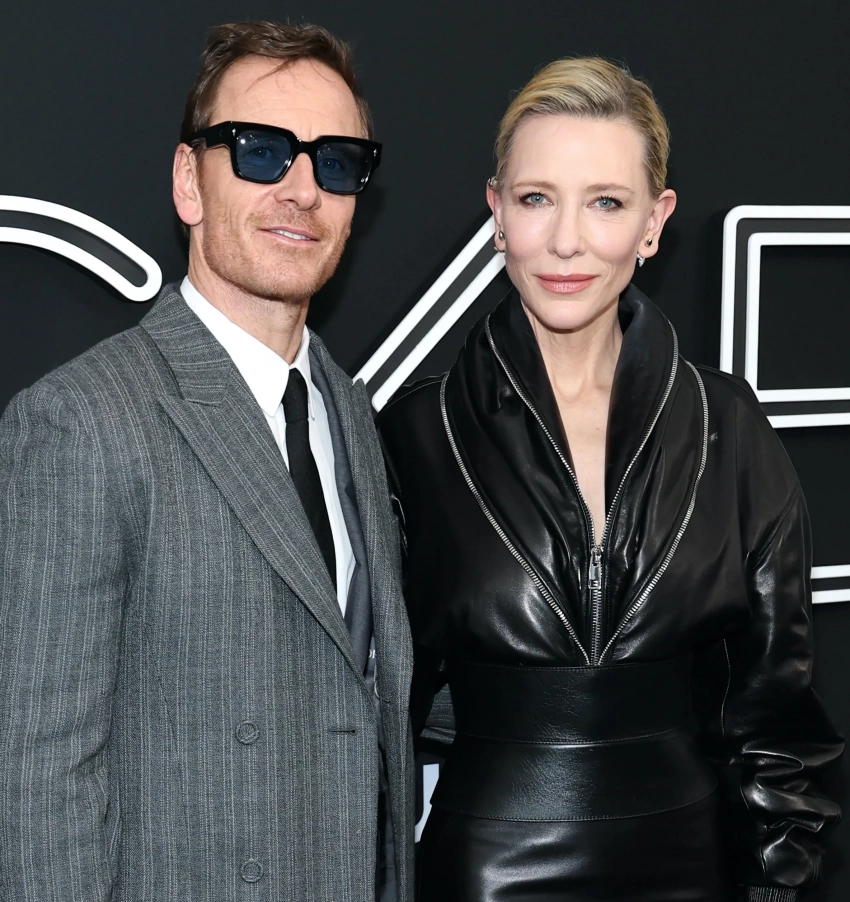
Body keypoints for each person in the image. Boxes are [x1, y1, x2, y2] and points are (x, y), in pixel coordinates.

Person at [377, 57, 841, 902]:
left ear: (653, 223)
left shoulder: (728, 425)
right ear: (497, 213)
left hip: (694, 865)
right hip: (488, 870)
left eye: (606, 203)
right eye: (537, 198)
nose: (566, 241)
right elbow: (376, 709)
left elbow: (774, 704)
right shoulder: (417, 433)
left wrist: (780, 879)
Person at [0, 21, 413, 902]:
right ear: (189, 181)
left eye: (336, 162)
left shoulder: (353, 417)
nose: (302, 189)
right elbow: (37, 784)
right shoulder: (80, 423)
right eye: (262, 151)